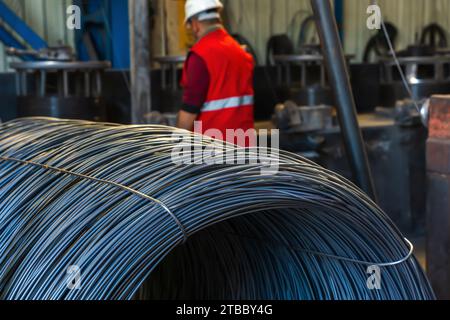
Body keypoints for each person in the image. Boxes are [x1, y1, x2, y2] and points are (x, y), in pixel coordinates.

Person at [177, 0, 255, 147]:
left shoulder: (200, 56)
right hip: (244, 148)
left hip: (212, 152)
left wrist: (175, 147)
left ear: (195, 25)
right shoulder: (242, 53)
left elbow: (190, 109)